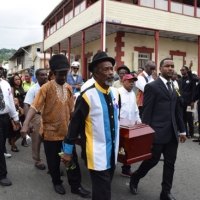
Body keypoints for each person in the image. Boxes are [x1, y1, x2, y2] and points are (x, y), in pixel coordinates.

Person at [20, 54, 90, 197]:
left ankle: (75, 186)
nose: (63, 77)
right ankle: (56, 182)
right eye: (60, 74)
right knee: (53, 161)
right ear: (53, 73)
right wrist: (25, 124)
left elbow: (72, 111)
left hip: (66, 133)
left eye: (65, 74)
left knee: (71, 160)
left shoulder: (69, 88)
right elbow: (34, 106)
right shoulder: (46, 88)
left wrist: (78, 128)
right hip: (50, 133)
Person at [61, 51, 121, 200]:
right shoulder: (87, 96)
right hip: (97, 154)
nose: (110, 73)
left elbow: (116, 121)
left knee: (103, 190)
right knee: (104, 193)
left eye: (111, 69)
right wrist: (67, 152)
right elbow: (74, 126)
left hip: (112, 152)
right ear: (95, 74)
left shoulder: (116, 93)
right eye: (105, 70)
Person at [130, 58, 186, 200]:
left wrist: (183, 130)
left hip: (172, 133)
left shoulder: (174, 85)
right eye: (167, 66)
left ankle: (165, 192)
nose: (170, 68)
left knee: (170, 163)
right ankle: (136, 177)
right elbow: (146, 113)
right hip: (157, 133)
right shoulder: (152, 86)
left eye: (172, 66)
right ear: (160, 69)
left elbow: (177, 111)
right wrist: (146, 135)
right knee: (152, 161)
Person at [23, 69, 48, 170]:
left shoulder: (50, 87)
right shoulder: (33, 89)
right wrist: (27, 122)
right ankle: (37, 161)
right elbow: (26, 104)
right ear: (37, 77)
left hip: (49, 116)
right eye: (42, 75)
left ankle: (52, 163)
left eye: (46, 74)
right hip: (37, 116)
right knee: (37, 140)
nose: (45, 76)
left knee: (50, 140)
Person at [118, 74, 141, 177]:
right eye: (129, 81)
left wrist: (139, 122)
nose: (132, 83)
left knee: (129, 148)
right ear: (124, 82)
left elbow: (135, 109)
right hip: (119, 126)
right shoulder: (117, 92)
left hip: (130, 125)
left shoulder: (132, 93)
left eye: (133, 81)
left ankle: (126, 169)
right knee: (118, 148)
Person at [0, 68, 20, 186]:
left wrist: (15, 118)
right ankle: (2, 175)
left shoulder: (5, 84)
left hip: (4, 118)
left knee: (2, 146)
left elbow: (11, 102)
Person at [9, 74, 27, 147]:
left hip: (23, 107)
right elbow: (12, 99)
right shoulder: (12, 88)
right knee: (18, 126)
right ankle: (12, 140)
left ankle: (24, 140)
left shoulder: (21, 87)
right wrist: (19, 107)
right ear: (13, 81)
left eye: (19, 79)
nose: (18, 81)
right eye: (16, 80)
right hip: (16, 108)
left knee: (25, 124)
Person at [179, 65, 196, 138]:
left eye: (183, 70)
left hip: (189, 101)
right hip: (182, 101)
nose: (182, 71)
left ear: (186, 71)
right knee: (183, 118)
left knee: (189, 117)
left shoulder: (191, 79)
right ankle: (185, 132)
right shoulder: (180, 80)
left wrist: (192, 101)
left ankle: (191, 133)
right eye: (181, 70)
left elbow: (194, 91)